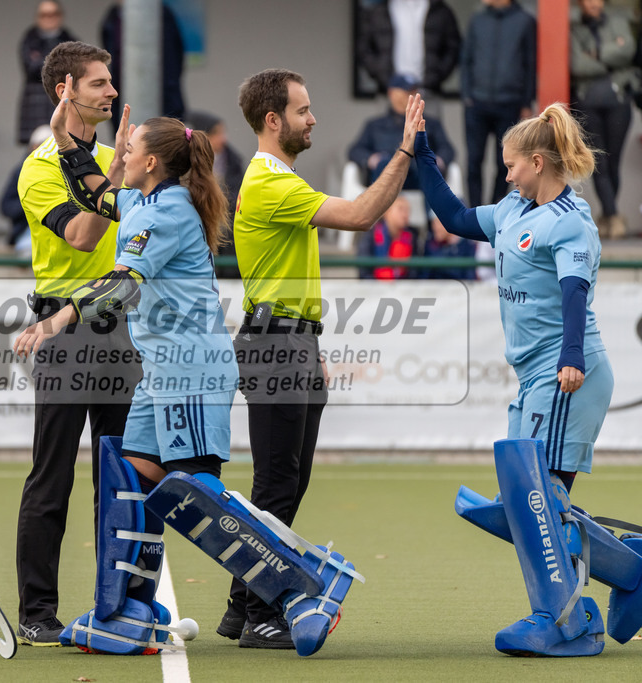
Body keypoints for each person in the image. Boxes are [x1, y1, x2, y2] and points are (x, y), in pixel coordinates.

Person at [219, 68, 423, 649]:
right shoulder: (268, 182)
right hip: (276, 345)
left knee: (289, 481)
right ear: (273, 120)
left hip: (293, 342)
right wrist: (405, 151)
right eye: (304, 110)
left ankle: (242, 607)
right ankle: (259, 615)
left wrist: (310, 344)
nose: (314, 119)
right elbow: (361, 216)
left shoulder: (279, 178)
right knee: (278, 483)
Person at [414, 103, 616, 657]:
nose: (505, 175)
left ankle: (564, 620)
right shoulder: (512, 209)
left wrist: (570, 359)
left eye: (510, 166)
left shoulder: (570, 220)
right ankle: (628, 575)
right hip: (536, 377)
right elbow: (454, 219)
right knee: (534, 503)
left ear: (536, 161)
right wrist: (421, 153)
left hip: (569, 372)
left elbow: (576, 293)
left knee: (540, 504)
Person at [14, 40, 141, 646]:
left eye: (109, 81)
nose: (111, 91)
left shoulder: (117, 156)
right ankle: (37, 612)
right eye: (98, 83)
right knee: (53, 476)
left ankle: (116, 607)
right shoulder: (39, 167)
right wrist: (112, 184)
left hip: (120, 326)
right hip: (63, 335)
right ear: (66, 90)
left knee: (120, 476)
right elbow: (87, 237)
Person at [571, 0, 637, 239]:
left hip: (618, 101)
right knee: (598, 162)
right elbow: (577, 64)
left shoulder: (618, 22)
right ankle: (613, 215)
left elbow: (628, 50)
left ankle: (608, 216)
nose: (594, 4)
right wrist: (612, 56)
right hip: (588, 104)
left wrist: (597, 54)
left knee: (613, 161)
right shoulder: (574, 29)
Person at [460, 0, 536, 207]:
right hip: (476, 103)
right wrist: (467, 95)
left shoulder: (525, 21)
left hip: (509, 103)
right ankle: (474, 211)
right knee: (474, 161)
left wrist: (526, 101)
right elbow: (466, 59)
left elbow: (530, 64)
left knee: (505, 163)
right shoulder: (477, 20)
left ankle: (497, 208)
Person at [348, 73, 453, 189]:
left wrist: (436, 160)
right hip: (387, 174)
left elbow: (447, 149)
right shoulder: (374, 125)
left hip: (419, 173)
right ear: (392, 93)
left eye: (415, 91)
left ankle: (432, 208)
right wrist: (371, 159)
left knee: (426, 165)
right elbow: (355, 150)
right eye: (407, 91)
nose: (413, 96)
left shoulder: (431, 123)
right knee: (385, 165)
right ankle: (387, 207)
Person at [101, 0, 186, 127]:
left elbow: (175, 52)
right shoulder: (111, 19)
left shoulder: (161, 15)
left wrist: (171, 82)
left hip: (164, 91)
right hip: (121, 90)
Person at [356, 0, 461, 98]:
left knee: (427, 118)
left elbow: (452, 47)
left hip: (427, 93)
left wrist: (436, 76)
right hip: (389, 93)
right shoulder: (378, 11)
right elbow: (365, 48)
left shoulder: (440, 11)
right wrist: (381, 75)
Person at [186, 110, 245, 278]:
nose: (223, 139)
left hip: (226, 234)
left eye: (222, 133)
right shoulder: (185, 164)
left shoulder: (233, 162)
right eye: (216, 133)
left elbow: (238, 196)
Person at [17, 1, 77, 145]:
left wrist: (42, 58)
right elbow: (32, 68)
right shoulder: (29, 40)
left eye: (53, 14)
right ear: (37, 17)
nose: (49, 18)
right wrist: (59, 61)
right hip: (34, 109)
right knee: (33, 156)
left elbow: (74, 70)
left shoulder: (71, 40)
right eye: (44, 15)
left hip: (62, 104)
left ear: (60, 16)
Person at [0, 124, 51, 257]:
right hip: (26, 234)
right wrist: (32, 203)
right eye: (42, 145)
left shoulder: (65, 170)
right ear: (32, 146)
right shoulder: (21, 171)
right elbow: (5, 206)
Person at [355, 194, 417, 280]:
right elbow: (364, 270)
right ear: (387, 211)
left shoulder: (412, 236)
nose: (405, 214)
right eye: (400, 209)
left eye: (407, 210)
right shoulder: (370, 234)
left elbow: (414, 272)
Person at [420, 214, 476, 280]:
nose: (436, 228)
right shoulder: (430, 244)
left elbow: (469, 276)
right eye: (434, 223)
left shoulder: (467, 246)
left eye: (439, 223)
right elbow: (424, 276)